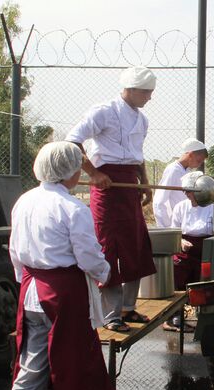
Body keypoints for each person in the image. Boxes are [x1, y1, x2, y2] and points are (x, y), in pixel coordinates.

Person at [0, 141, 123, 390]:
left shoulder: (24, 201)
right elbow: (89, 256)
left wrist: (26, 282)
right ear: (70, 171)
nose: (80, 172)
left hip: (32, 291)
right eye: (78, 166)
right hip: (64, 295)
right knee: (83, 366)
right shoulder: (73, 208)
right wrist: (105, 272)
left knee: (31, 368)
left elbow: (15, 251)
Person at [66, 66, 158, 332]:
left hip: (129, 184)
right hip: (107, 186)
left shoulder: (142, 120)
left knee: (136, 245)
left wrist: (145, 183)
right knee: (111, 248)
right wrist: (93, 173)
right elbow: (73, 141)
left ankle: (128, 308)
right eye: (146, 92)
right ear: (131, 89)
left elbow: (138, 155)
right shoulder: (103, 111)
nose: (149, 98)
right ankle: (110, 315)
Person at [162, 173, 214, 332]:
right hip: (185, 248)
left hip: (207, 246)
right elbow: (175, 230)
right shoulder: (181, 207)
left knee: (205, 280)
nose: (187, 194)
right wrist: (181, 241)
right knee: (177, 274)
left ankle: (206, 316)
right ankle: (173, 317)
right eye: (185, 191)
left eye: (190, 191)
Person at [152, 138, 208, 228]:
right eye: (198, 160)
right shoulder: (173, 170)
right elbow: (159, 201)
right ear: (190, 155)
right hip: (172, 223)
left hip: (183, 221)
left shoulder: (187, 171)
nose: (199, 164)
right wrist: (166, 228)